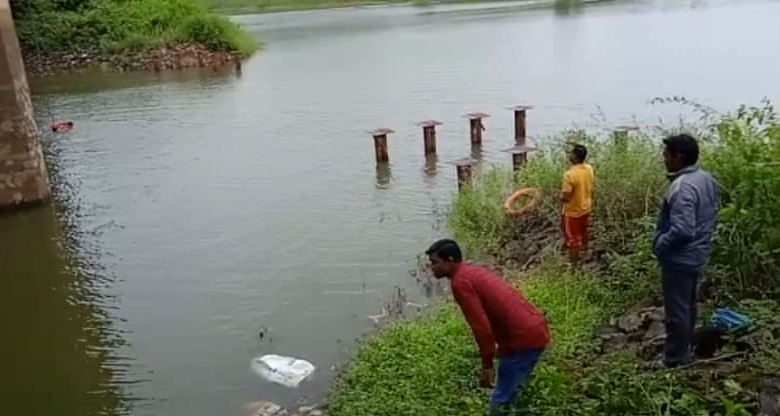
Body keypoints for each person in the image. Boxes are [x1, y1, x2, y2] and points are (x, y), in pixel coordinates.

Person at [425, 239, 550, 416]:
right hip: (534, 328)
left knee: (499, 401)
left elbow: (482, 329)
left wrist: (487, 366)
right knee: (515, 389)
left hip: (523, 339)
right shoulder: (472, 271)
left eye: (435, 262)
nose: (432, 268)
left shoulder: (460, 283)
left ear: (450, 260)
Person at [652, 134, 719, 368]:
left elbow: (682, 230)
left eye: (666, 155)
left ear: (679, 157)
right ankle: (684, 349)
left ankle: (674, 359)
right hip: (697, 254)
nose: (664, 159)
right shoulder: (705, 178)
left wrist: (660, 245)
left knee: (676, 311)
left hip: (680, 259)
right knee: (688, 306)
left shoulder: (682, 187)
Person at [560, 144, 595, 266]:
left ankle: (574, 266)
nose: (569, 155)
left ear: (575, 156)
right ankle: (585, 252)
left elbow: (566, 197)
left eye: (571, 153)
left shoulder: (569, 175)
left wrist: (560, 197)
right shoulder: (589, 168)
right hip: (586, 207)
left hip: (572, 212)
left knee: (572, 239)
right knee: (583, 231)